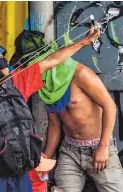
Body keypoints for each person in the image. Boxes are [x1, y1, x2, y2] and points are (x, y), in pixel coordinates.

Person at [0, 25, 99, 192]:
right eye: (1, 58)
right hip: (13, 167)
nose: (6, 62)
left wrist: (84, 42)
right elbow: (51, 61)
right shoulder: (14, 84)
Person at [41, 47, 123, 191]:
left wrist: (103, 147)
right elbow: (54, 124)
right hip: (69, 151)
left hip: (98, 147)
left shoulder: (80, 73)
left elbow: (110, 106)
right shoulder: (47, 86)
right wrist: (46, 160)